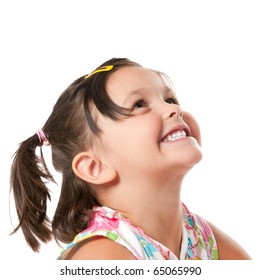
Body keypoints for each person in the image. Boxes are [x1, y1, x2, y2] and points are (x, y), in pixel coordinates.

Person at [10, 58, 251, 260]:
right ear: (95, 166)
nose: (174, 110)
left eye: (170, 99)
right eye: (138, 105)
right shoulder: (101, 256)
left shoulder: (202, 238)